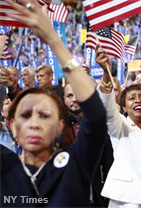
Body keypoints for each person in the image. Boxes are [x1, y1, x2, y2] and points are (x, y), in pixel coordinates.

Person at [1, 1, 107, 207]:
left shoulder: (74, 163)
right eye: (25, 115)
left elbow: (96, 117)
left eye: (44, 115)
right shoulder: (4, 165)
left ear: (60, 125)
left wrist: (52, 39)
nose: (34, 123)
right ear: (12, 126)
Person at [96, 46, 141, 207]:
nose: (138, 100)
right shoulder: (119, 125)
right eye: (132, 98)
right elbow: (106, 107)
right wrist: (106, 73)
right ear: (123, 107)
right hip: (127, 198)